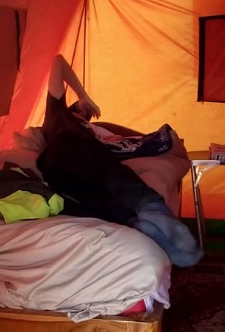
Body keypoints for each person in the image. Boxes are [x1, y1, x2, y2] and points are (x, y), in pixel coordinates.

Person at [37, 54, 203, 267]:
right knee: (111, 173)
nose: (87, 115)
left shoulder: (95, 133)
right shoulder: (56, 112)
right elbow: (58, 62)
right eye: (83, 112)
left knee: (94, 198)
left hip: (59, 172)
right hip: (69, 147)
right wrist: (83, 97)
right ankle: (153, 210)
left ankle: (137, 224)